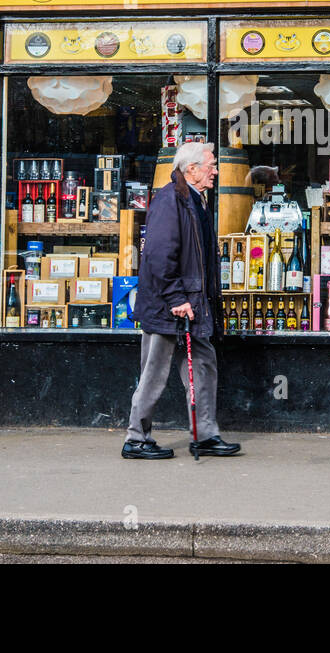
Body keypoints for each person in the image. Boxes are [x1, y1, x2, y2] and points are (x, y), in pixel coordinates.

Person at [123, 141, 242, 460]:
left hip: (193, 305)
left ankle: (205, 435)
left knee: (204, 366)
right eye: (210, 165)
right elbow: (160, 254)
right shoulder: (169, 200)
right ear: (191, 169)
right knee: (154, 372)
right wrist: (176, 297)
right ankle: (136, 438)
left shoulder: (196, 199)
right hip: (168, 305)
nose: (215, 170)